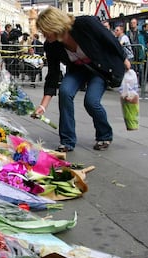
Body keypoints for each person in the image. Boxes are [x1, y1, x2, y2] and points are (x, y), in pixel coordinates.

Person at [34, 7, 131, 152]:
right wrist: (42, 106)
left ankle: (104, 135)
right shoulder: (51, 45)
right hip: (77, 70)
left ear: (53, 25)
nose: (43, 34)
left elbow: (109, 39)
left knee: (91, 101)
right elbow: (53, 74)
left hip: (100, 68)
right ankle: (67, 141)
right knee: (65, 92)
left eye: (44, 30)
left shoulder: (85, 24)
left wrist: (124, 60)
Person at [127, 18, 146, 84]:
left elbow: (143, 43)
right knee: (132, 68)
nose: (132, 24)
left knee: (140, 69)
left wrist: (143, 52)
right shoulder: (128, 33)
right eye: (131, 23)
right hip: (131, 53)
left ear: (137, 24)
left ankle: (141, 82)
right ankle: (133, 82)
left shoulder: (140, 33)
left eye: (134, 23)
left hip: (139, 53)